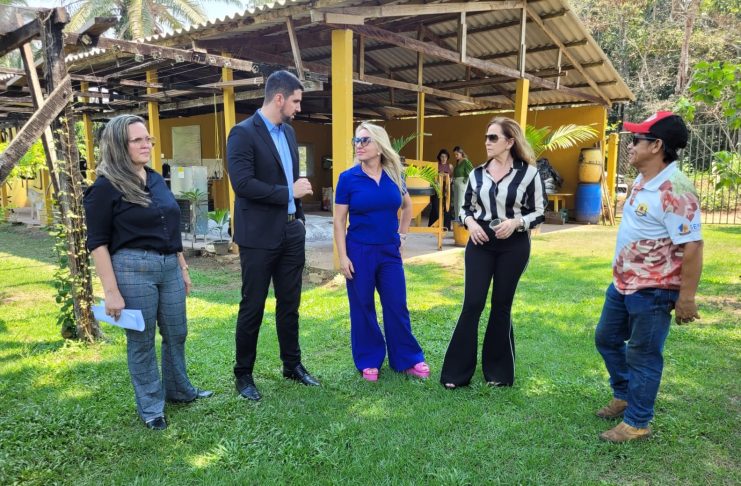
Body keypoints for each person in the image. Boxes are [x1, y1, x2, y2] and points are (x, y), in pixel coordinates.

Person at [84, 115, 212, 431]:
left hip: (169, 266)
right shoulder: (105, 187)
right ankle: (152, 407)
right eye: (137, 140)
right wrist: (111, 292)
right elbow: (98, 244)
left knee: (176, 332)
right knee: (141, 340)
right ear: (119, 145)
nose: (147, 145)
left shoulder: (154, 178)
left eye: (148, 139)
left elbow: (170, 226)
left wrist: (182, 266)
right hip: (132, 268)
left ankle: (179, 390)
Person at [594, 112, 703, 442]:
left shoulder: (676, 190)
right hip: (623, 283)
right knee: (606, 338)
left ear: (656, 146)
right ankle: (625, 395)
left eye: (636, 140)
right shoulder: (643, 180)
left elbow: (693, 245)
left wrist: (686, 298)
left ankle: (638, 422)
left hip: (654, 289)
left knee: (643, 354)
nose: (630, 146)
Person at [227, 70, 319, 402]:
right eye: (295, 101)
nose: (298, 107)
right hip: (258, 235)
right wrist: (287, 193)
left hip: (291, 230)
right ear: (278, 98)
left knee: (290, 304)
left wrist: (299, 219)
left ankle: (292, 365)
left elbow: (292, 180)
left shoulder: (289, 133)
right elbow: (243, 184)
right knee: (252, 305)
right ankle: (243, 374)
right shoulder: (242, 133)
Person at [440, 117, 546, 389]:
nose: (487, 142)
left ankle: (498, 373)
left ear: (510, 142)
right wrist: (472, 224)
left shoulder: (529, 174)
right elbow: (464, 208)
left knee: (501, 304)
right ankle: (456, 374)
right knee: (473, 303)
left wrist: (516, 223)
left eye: (493, 137)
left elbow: (538, 212)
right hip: (481, 242)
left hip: (514, 244)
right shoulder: (477, 174)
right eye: (486, 137)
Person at [334, 122, 430, 382]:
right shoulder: (348, 178)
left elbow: (407, 207)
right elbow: (339, 221)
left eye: (365, 140)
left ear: (380, 146)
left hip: (389, 252)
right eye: (356, 140)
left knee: (396, 304)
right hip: (359, 251)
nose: (359, 145)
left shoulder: (395, 175)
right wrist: (343, 256)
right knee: (362, 306)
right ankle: (369, 359)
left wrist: (402, 236)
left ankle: (407, 359)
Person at [428, 148, 453, 230]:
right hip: (437, 187)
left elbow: (452, 177)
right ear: (439, 157)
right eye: (442, 156)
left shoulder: (450, 166)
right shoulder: (436, 165)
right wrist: (436, 181)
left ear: (447, 157)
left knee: (447, 207)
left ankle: (446, 227)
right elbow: (432, 177)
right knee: (435, 206)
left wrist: (450, 180)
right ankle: (433, 225)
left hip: (447, 188)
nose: (443, 158)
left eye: (445, 156)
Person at [452, 146, 473, 222]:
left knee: (460, 202)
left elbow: (471, 172)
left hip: (462, 184)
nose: (455, 156)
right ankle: (456, 218)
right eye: (454, 154)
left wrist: (464, 181)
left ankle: (461, 219)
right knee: (455, 202)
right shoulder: (458, 162)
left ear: (461, 153)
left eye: (457, 154)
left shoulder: (465, 161)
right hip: (456, 183)